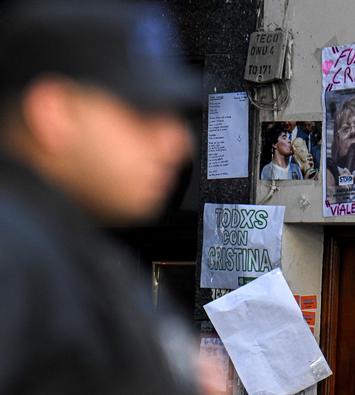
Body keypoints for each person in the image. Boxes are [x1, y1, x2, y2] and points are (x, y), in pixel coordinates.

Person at [0, 1, 210, 394]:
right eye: (145, 112)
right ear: (55, 112)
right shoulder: (13, 249)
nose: (179, 143)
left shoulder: (71, 244)